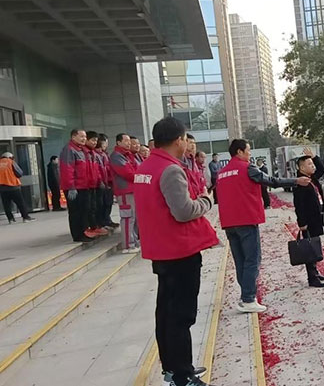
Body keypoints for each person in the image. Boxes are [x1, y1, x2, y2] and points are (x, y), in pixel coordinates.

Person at [133, 116, 215, 386]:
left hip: (161, 249)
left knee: (166, 312)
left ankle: (172, 367)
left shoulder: (146, 167)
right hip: (179, 250)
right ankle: (183, 376)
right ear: (178, 140)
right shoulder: (170, 170)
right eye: (185, 139)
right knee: (181, 315)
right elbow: (183, 211)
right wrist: (205, 201)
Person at [218, 140, 310, 309]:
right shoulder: (248, 168)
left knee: (240, 260)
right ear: (239, 152)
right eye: (248, 150)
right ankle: (248, 299)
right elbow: (272, 181)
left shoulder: (222, 172)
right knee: (252, 259)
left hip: (229, 223)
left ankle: (246, 295)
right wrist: (295, 181)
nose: (250, 154)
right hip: (246, 219)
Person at [293, 148, 324, 287]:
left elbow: (322, 169)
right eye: (309, 164)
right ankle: (312, 278)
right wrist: (302, 223)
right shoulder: (300, 182)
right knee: (309, 248)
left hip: (316, 218)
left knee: (314, 246)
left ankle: (315, 271)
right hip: (308, 221)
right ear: (302, 168)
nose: (313, 166)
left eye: (312, 163)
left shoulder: (311, 178)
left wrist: (314, 157)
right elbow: (299, 205)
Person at [60, 129, 95, 242]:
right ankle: (77, 235)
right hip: (75, 187)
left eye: (85, 137)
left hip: (84, 186)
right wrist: (71, 186)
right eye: (81, 136)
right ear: (73, 137)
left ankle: (83, 232)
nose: (84, 139)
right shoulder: (69, 150)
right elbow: (67, 169)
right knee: (76, 212)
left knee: (84, 210)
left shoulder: (82, 150)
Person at [111, 133, 140, 253]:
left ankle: (134, 241)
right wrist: (142, 178)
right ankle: (128, 245)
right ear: (118, 142)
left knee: (134, 217)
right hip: (124, 191)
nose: (129, 143)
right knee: (128, 217)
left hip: (133, 190)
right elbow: (128, 173)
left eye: (129, 141)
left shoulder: (128, 155)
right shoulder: (116, 156)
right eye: (126, 141)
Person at [0, 152, 34, 223]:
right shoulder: (11, 162)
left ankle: (11, 219)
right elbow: (19, 173)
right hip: (13, 187)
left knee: (7, 205)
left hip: (2, 188)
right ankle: (25, 217)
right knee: (20, 203)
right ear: (9, 157)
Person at [95, 134, 117, 229]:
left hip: (108, 182)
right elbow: (97, 170)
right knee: (102, 204)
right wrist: (101, 181)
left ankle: (107, 220)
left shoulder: (104, 154)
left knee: (108, 203)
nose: (106, 145)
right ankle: (101, 222)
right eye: (105, 142)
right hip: (101, 183)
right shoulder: (96, 154)